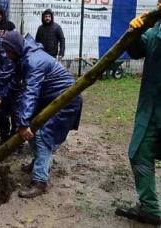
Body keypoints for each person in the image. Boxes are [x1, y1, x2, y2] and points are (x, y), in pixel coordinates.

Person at [0, 31, 82, 198]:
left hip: (66, 101)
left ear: (16, 49)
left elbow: (31, 92)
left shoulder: (33, 61)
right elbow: (13, 80)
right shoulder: (23, 57)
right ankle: (39, 163)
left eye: (8, 52)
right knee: (32, 129)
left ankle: (40, 181)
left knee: (42, 136)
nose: (7, 56)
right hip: (51, 98)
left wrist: (23, 124)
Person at [115, 4, 161, 226]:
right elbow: (137, 50)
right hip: (151, 110)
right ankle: (149, 207)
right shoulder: (155, 31)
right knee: (139, 153)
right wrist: (134, 32)